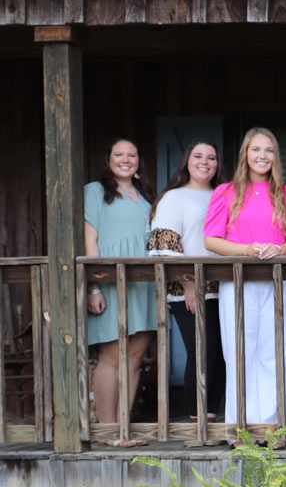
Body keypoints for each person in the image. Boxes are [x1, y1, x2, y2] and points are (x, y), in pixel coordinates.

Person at [203, 127, 286, 426]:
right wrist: (246, 249)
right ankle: (240, 427)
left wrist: (279, 250)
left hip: (276, 280)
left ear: (276, 157)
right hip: (237, 281)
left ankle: (271, 427)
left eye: (268, 150)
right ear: (245, 154)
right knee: (239, 352)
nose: (262, 156)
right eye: (256, 150)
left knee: (273, 353)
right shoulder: (226, 191)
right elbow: (210, 239)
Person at [84, 137, 157, 446]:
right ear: (108, 158)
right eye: (119, 154)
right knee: (111, 356)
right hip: (111, 281)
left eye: (132, 154)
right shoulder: (96, 191)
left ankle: (123, 429)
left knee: (135, 356)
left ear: (138, 160)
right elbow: (90, 239)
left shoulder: (144, 195)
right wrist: (94, 285)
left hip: (143, 284)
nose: (126, 159)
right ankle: (107, 430)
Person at [148, 139, 226, 421]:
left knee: (220, 354)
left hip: (224, 288)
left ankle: (212, 415)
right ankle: (196, 418)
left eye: (212, 157)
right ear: (187, 161)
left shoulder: (224, 194)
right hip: (188, 289)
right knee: (201, 351)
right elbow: (165, 245)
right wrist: (188, 283)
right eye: (198, 156)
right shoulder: (174, 197)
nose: (205, 162)